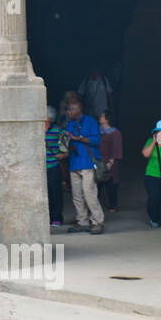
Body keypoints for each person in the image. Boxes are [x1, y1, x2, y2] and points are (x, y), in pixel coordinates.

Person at [64, 99, 104, 234]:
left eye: (70, 109)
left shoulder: (91, 121)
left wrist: (78, 138)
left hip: (87, 162)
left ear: (77, 110)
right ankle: (82, 221)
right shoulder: (69, 123)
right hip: (74, 162)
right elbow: (65, 141)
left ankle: (97, 221)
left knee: (89, 193)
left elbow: (96, 140)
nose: (68, 112)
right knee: (77, 195)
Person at [96, 110, 123, 212]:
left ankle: (113, 205)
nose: (100, 117)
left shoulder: (115, 133)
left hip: (110, 161)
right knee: (97, 183)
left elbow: (117, 148)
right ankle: (95, 206)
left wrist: (111, 162)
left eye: (102, 116)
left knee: (111, 183)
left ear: (107, 119)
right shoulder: (98, 131)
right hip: (98, 160)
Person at [45, 106, 65, 228]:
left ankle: (56, 217)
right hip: (39, 167)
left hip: (53, 165)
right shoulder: (35, 129)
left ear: (48, 118)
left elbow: (65, 147)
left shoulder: (58, 131)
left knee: (55, 193)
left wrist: (63, 154)